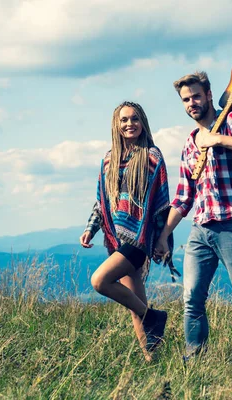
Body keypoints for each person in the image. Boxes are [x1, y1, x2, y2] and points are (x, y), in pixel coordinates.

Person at [154, 71, 232, 359]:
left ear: (209, 95)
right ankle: (195, 362)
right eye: (186, 99)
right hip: (200, 230)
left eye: (196, 96)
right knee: (191, 301)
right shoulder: (189, 143)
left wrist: (219, 140)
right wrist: (164, 235)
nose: (191, 103)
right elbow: (183, 198)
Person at [80, 101, 170, 360]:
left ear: (142, 123)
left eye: (134, 119)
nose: (129, 124)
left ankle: (154, 317)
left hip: (139, 238)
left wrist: (162, 238)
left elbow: (161, 201)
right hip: (117, 238)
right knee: (134, 304)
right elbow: (102, 202)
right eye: (124, 120)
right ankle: (152, 360)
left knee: (100, 281)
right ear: (116, 126)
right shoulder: (108, 160)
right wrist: (91, 229)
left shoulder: (152, 156)